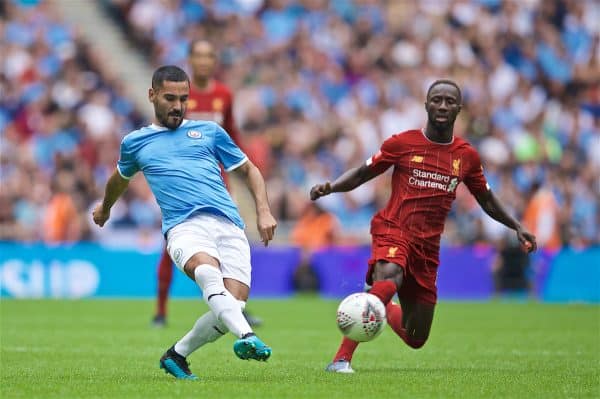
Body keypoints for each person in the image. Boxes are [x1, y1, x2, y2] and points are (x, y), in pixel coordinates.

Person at [310, 79, 537, 373]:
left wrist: (516, 225)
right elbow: (364, 173)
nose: (442, 106)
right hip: (395, 229)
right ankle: (341, 359)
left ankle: (380, 300)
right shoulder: (402, 143)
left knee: (416, 337)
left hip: (428, 247)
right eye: (437, 100)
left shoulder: (466, 156)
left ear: (459, 109)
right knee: (391, 275)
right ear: (426, 104)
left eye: (449, 101)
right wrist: (332, 188)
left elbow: (487, 199)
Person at [93, 65, 276, 380]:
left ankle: (176, 355)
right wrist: (105, 209)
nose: (177, 106)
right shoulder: (136, 142)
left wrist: (263, 210)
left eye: (183, 99)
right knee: (206, 272)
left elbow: (249, 171)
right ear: (152, 95)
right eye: (169, 98)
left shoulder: (210, 132)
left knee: (232, 305)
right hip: (184, 227)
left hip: (229, 225)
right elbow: (119, 180)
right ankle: (247, 337)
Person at [152, 39, 262, 328]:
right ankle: (161, 310)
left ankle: (235, 306)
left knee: (233, 242)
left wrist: (243, 171)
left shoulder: (223, 94)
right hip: (181, 183)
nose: (204, 61)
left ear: (215, 61)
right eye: (199, 56)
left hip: (218, 183)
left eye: (209, 55)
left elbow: (232, 135)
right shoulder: (178, 95)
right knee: (172, 246)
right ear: (190, 59)